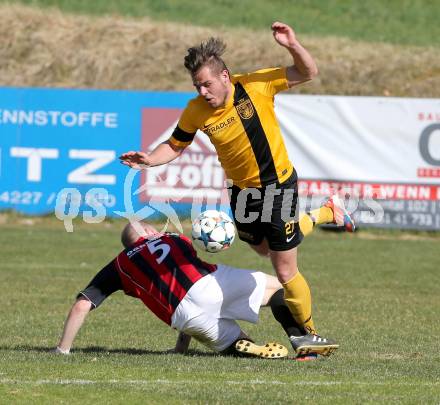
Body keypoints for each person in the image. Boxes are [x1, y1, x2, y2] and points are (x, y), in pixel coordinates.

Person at [119, 22, 355, 354]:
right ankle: (328, 211)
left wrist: (292, 45)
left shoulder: (257, 85)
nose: (202, 92)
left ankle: (308, 338)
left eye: (207, 84)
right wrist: (147, 159)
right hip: (241, 193)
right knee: (262, 249)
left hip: (277, 186)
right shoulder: (195, 110)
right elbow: (174, 146)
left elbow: (308, 71)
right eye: (197, 86)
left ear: (225, 77)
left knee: (285, 269)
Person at [55, 222, 339, 360]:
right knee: (280, 286)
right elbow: (192, 278)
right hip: (208, 284)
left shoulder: (119, 263)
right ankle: (300, 338)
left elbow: (82, 304)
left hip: (184, 315)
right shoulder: (172, 238)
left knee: (234, 342)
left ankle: (239, 345)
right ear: (149, 232)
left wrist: (63, 350)